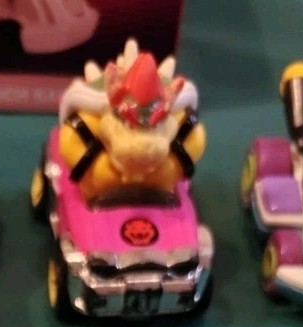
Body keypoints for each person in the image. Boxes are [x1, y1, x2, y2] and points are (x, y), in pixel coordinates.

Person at [58, 42, 204, 205]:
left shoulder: (183, 129)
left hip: (162, 198)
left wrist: (172, 168)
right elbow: (70, 141)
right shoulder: (85, 126)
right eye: (129, 124)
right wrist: (97, 170)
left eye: (154, 125)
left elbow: (194, 140)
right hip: (97, 197)